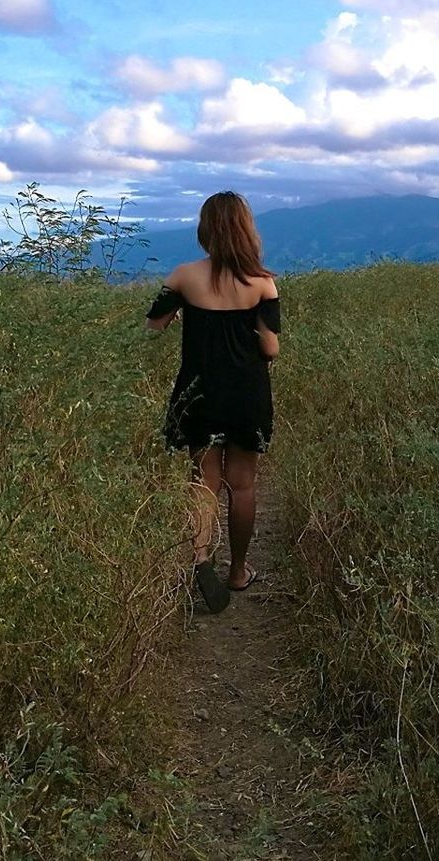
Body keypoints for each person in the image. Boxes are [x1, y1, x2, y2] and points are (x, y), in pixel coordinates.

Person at [144, 191, 280, 613]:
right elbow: (271, 349)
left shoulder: (183, 276)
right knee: (242, 484)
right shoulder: (261, 282)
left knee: (203, 481)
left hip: (199, 393)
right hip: (246, 393)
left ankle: (201, 558)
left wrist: (187, 310)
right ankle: (238, 571)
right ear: (245, 230)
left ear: (205, 230)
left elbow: (154, 325)